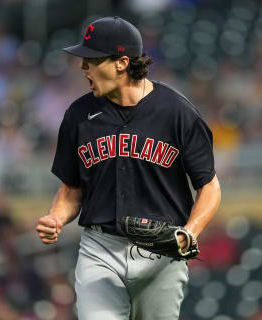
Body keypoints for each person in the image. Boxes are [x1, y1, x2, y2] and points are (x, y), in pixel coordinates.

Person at [36, 16, 221, 320]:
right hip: (101, 248)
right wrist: (56, 218)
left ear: (121, 63)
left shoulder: (177, 113)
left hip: (161, 251)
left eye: (92, 59)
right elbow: (71, 190)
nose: (83, 67)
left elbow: (210, 186)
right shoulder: (78, 115)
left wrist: (189, 233)